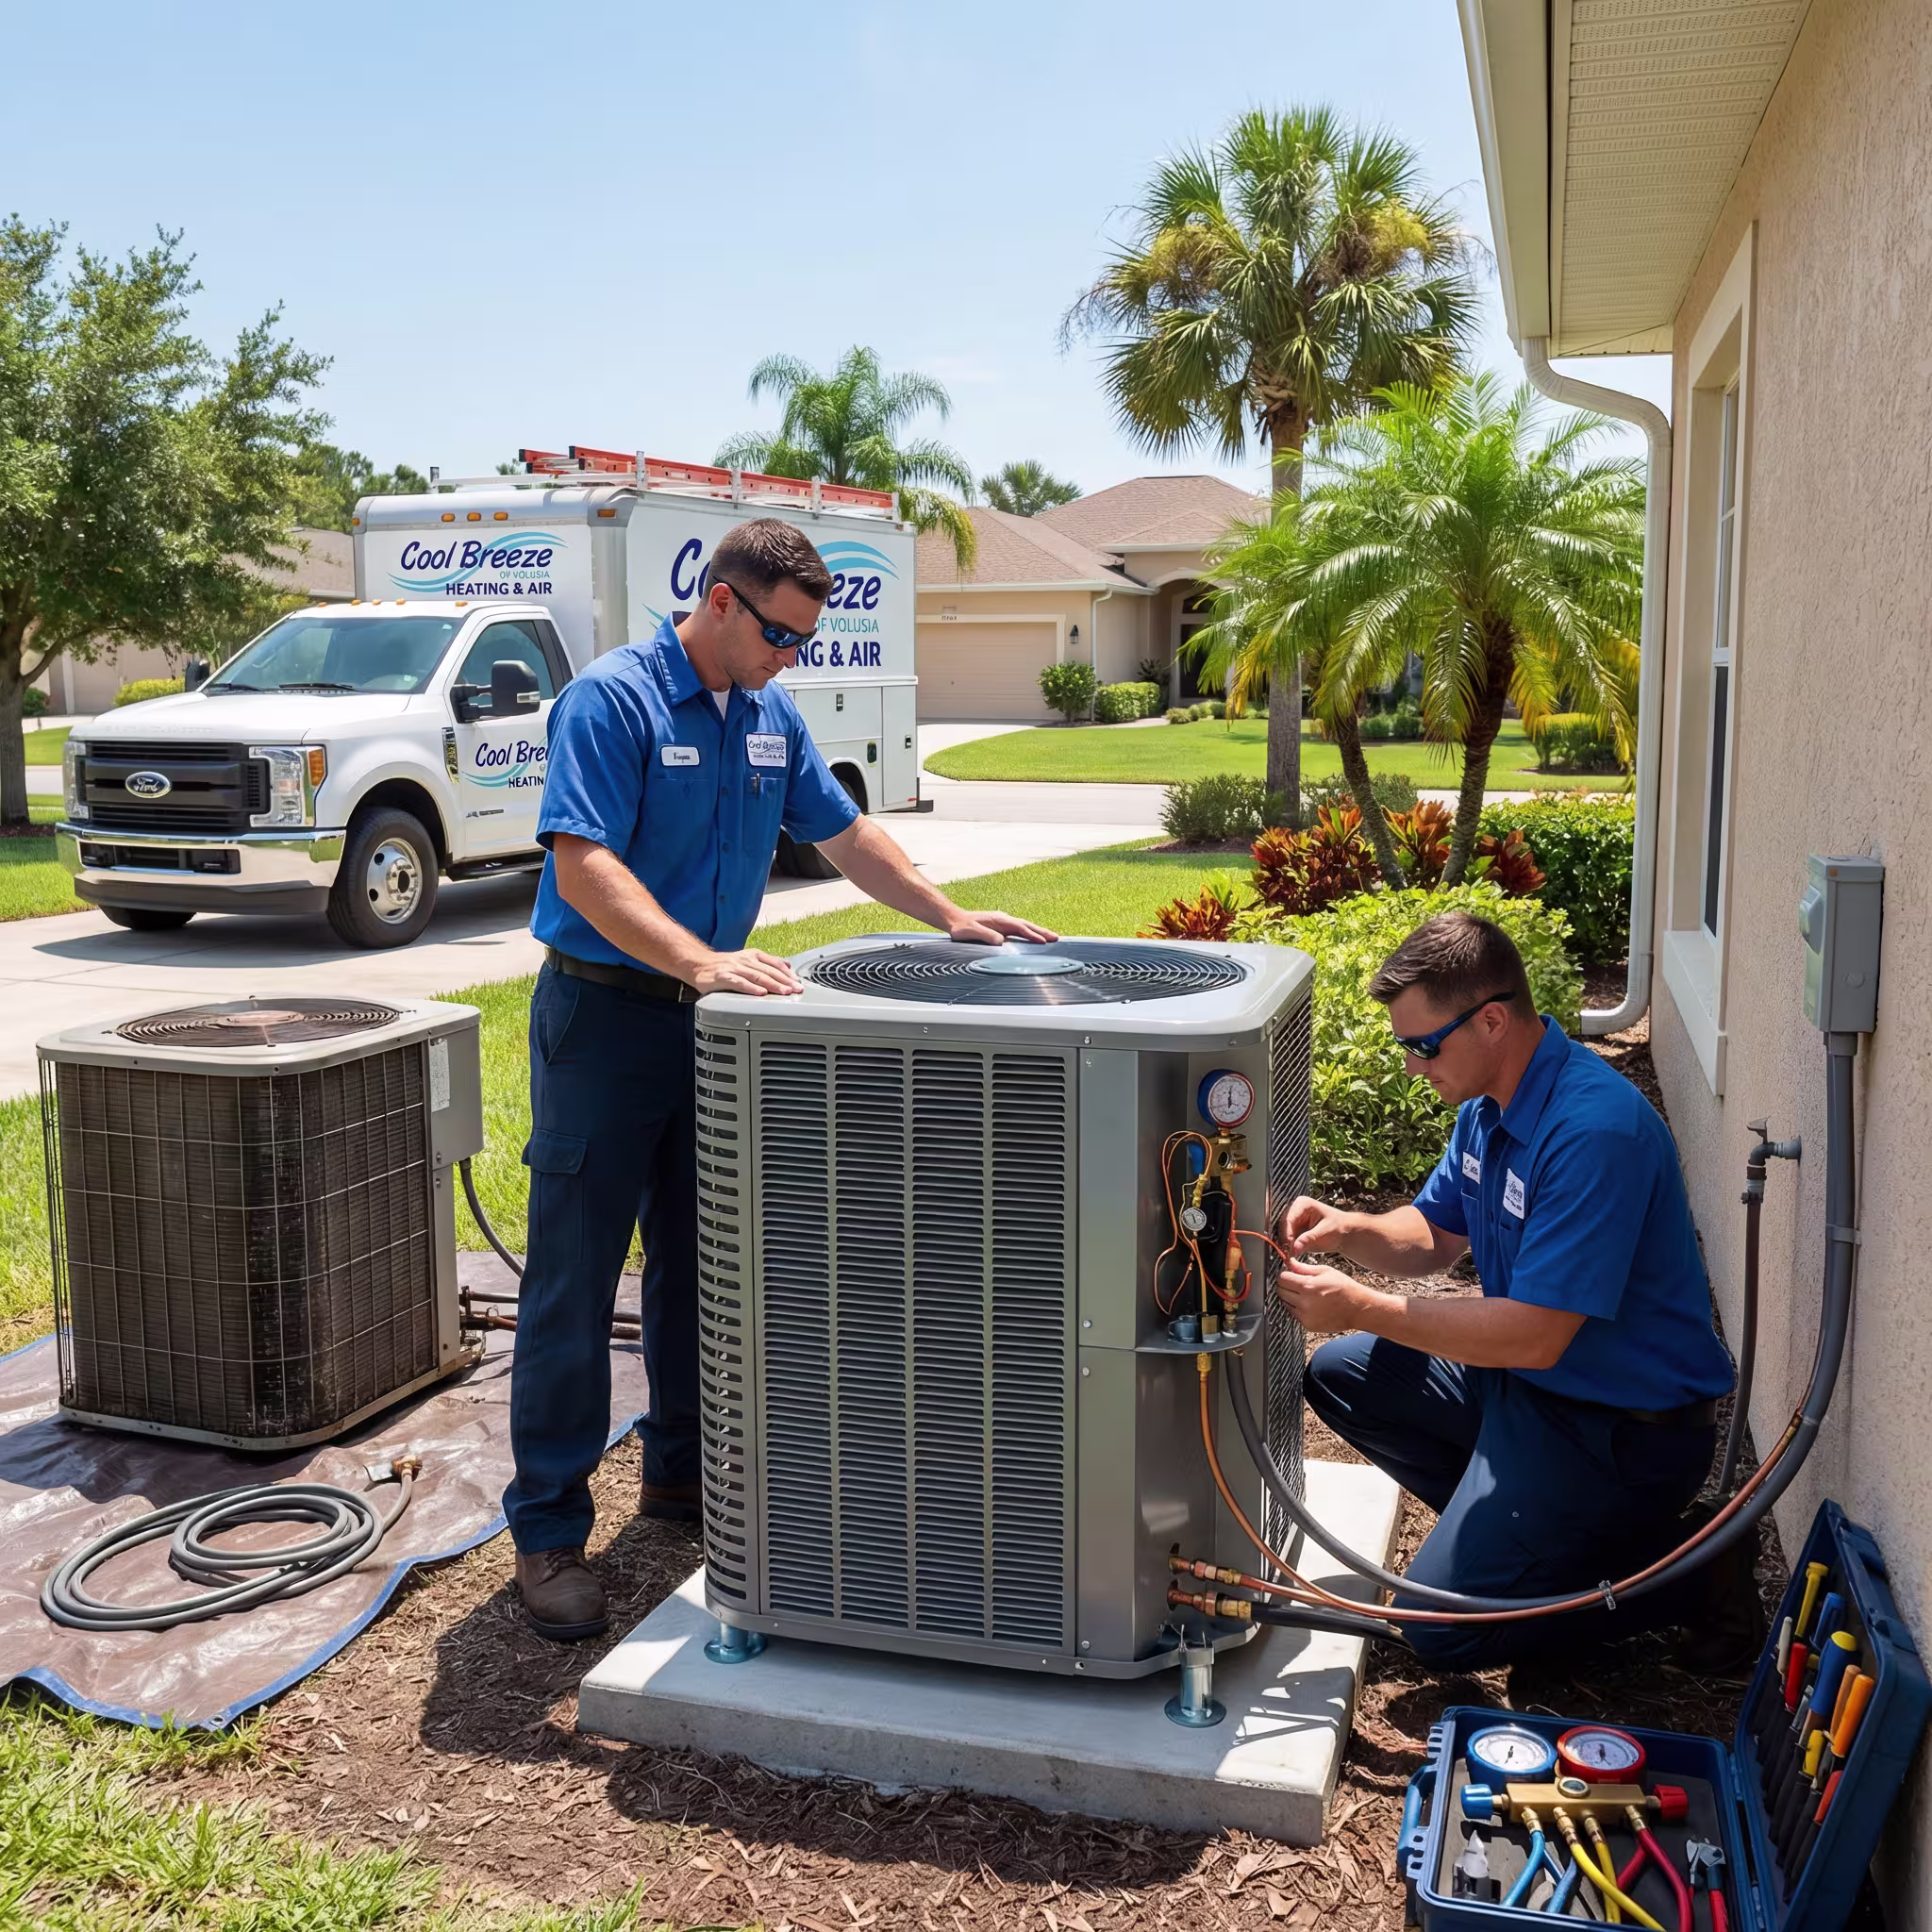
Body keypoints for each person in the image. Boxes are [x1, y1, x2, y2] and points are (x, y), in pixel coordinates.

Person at [505, 516, 1055, 1640]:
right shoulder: (612, 701)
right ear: (719, 603)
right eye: (779, 635)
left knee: (702, 1266)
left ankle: (679, 1476)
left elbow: (845, 834)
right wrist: (699, 959)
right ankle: (548, 1532)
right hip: (604, 1019)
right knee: (572, 1275)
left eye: (802, 640)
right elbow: (584, 862)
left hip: (710, 1033)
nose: (790, 657)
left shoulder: (767, 716)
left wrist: (947, 912)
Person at [1274, 909, 1749, 1669]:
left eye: (1422, 1045)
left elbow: (1534, 1334)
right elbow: (1431, 1237)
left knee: (1440, 1631)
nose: (1409, 1065)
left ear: (1491, 1021)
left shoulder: (1593, 1133)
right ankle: (1539, 1544)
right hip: (1532, 1394)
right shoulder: (1489, 1109)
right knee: (1344, 1376)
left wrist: (1359, 1306)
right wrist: (1349, 1227)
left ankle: (1688, 1574)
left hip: (1619, 1432)